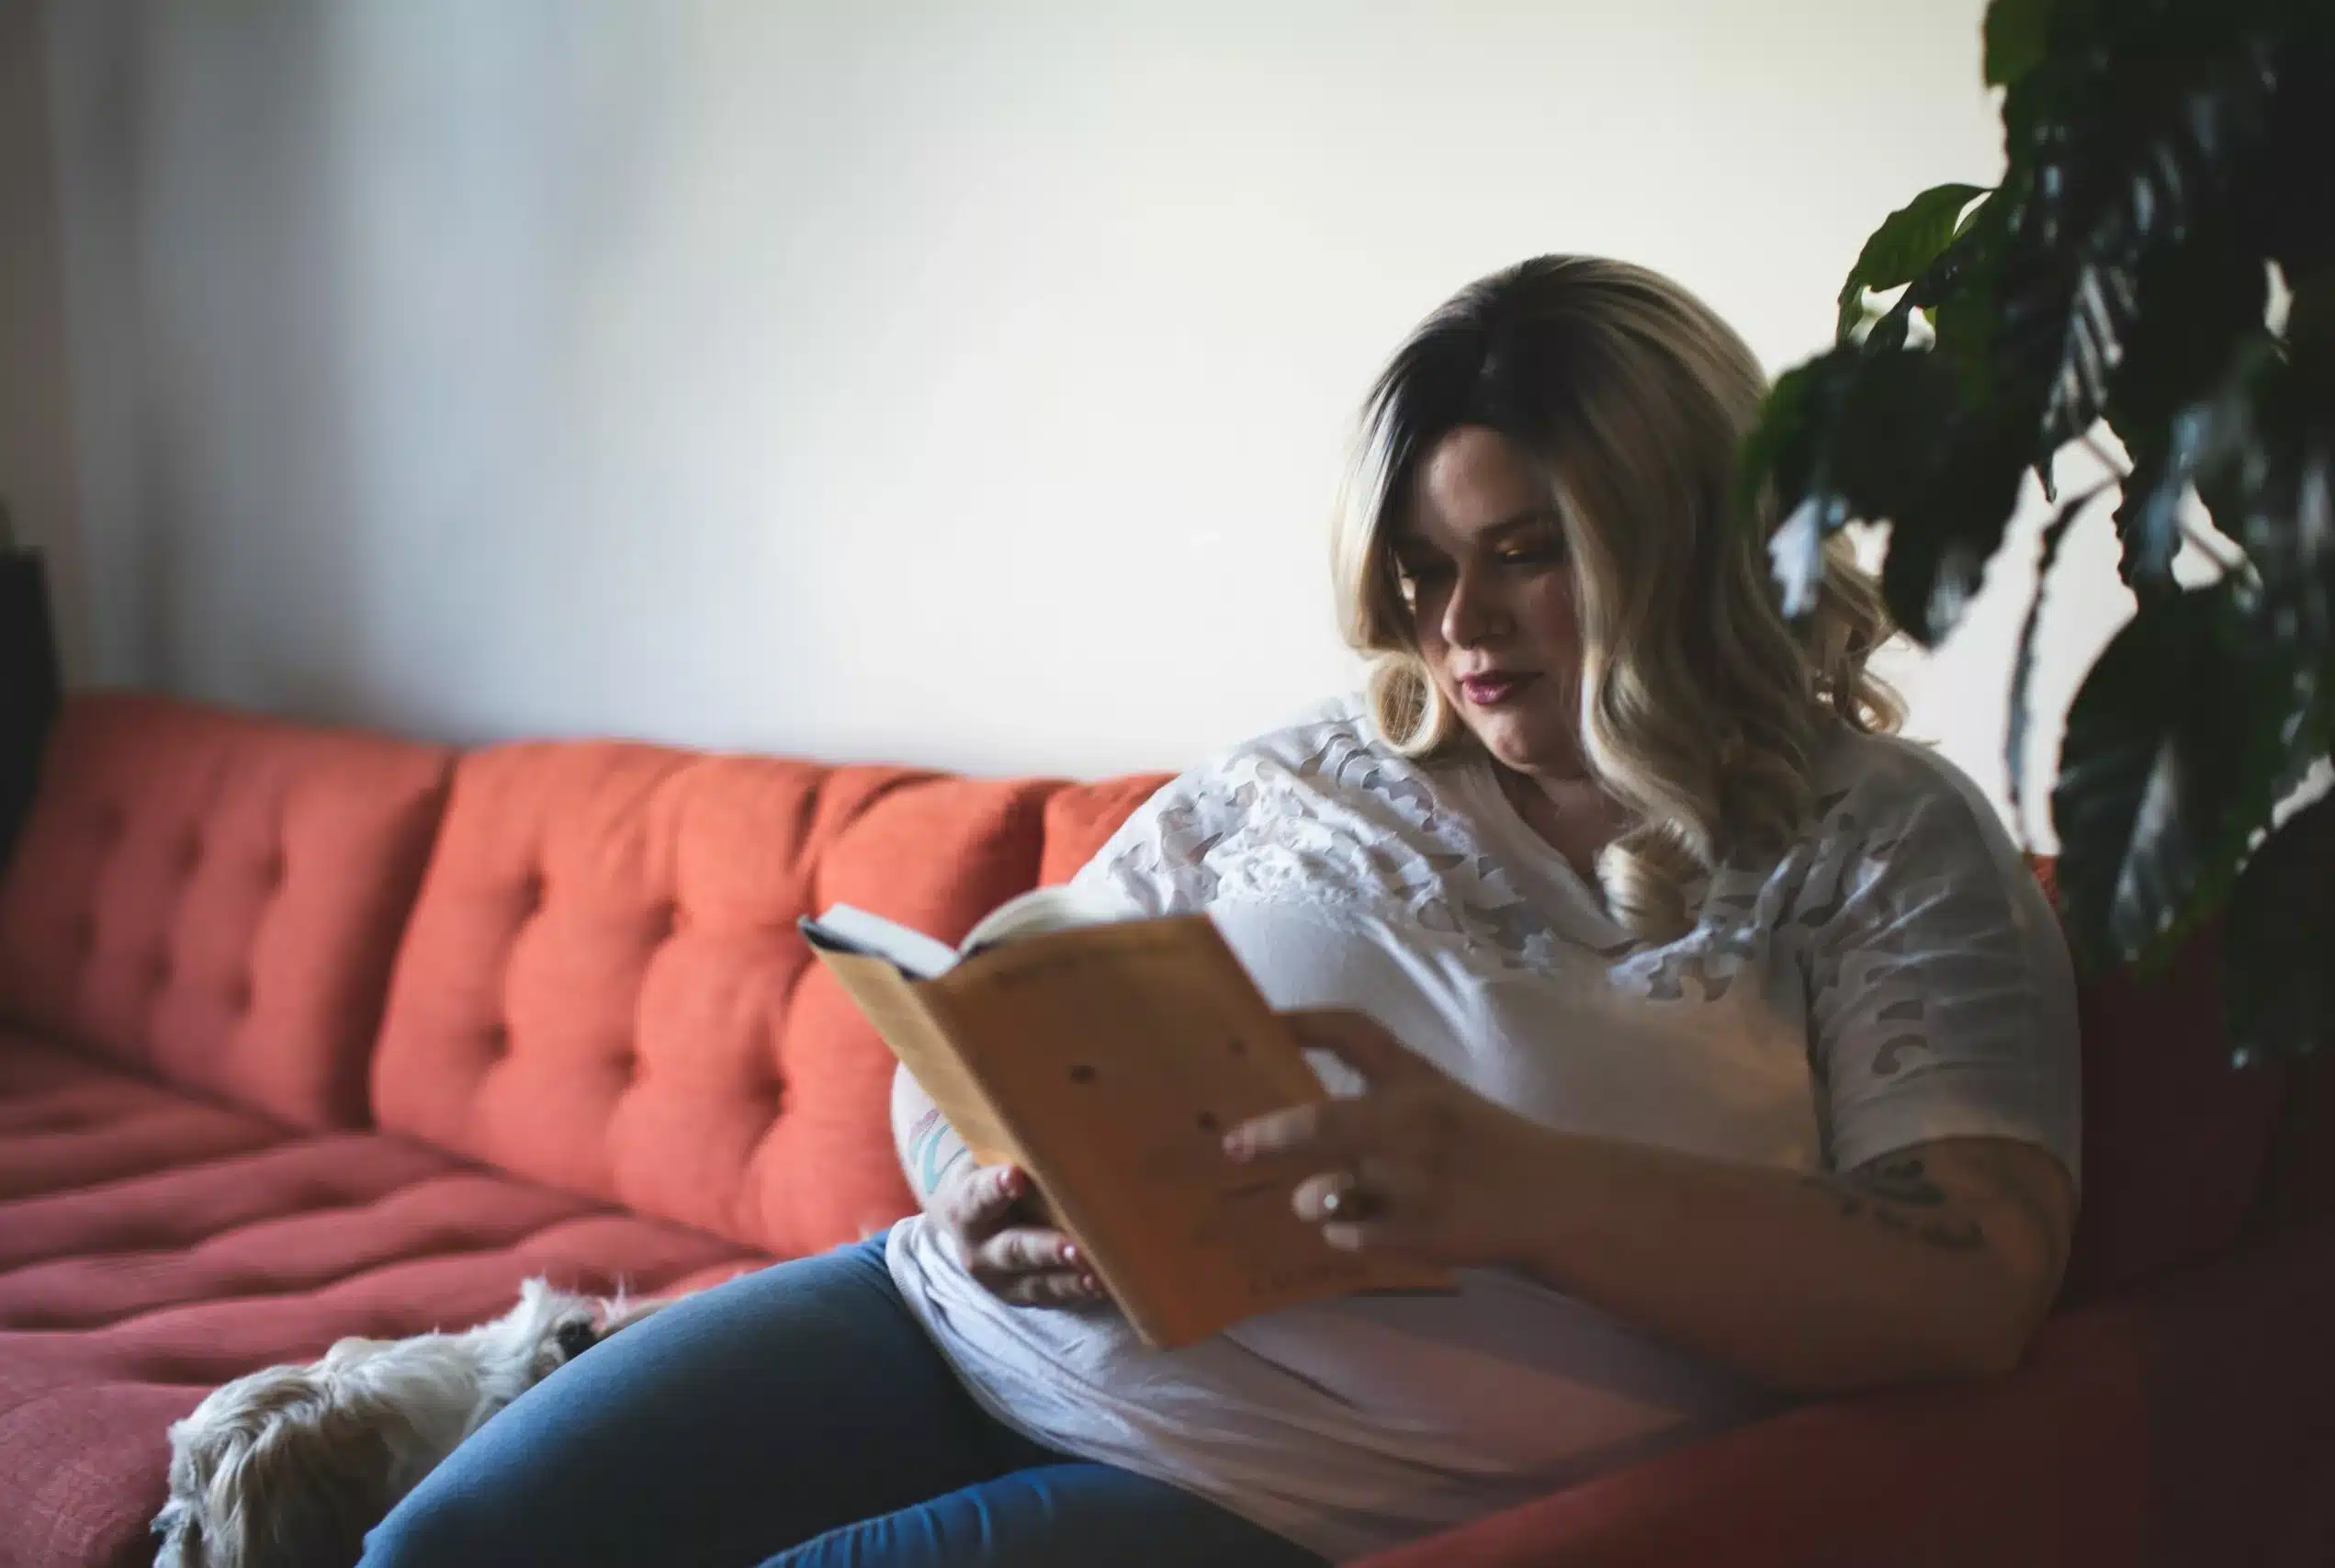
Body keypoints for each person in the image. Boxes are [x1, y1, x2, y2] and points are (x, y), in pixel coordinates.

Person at [361, 257, 2081, 1568]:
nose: (1455, 624)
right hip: (946, 1317)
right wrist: (982, 1196)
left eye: (1525, 550)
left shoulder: (1883, 843)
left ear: (1684, 534)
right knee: (435, 1550)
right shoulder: (1311, 771)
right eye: (1420, 563)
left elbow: (1973, 1282)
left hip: (1260, 1483)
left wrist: (1518, 1187)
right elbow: (990, 1032)